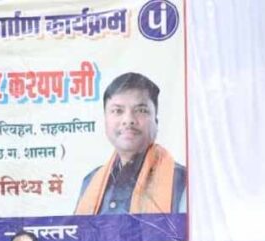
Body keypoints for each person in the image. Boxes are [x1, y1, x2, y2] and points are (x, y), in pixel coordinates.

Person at [75, 72, 186, 215]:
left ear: (156, 121)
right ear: (105, 121)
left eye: (141, 110)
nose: (128, 120)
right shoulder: (90, 182)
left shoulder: (182, 181)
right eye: (117, 111)